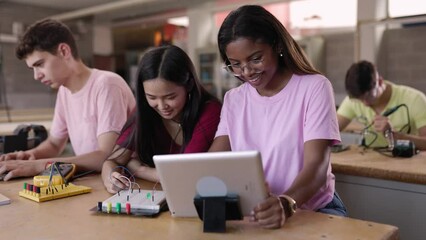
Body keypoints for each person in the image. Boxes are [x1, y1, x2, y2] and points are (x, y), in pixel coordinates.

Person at [208, 5, 346, 229]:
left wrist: (286, 202)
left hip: (313, 210)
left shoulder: (314, 87)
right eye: (235, 64)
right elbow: (214, 160)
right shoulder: (234, 99)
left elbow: (317, 167)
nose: (246, 71)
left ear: (277, 45)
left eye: (255, 59)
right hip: (258, 212)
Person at [0, 19, 135, 181]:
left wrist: (39, 165)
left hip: (124, 184)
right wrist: (29, 156)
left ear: (64, 51)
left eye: (40, 64)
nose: (36, 76)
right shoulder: (64, 92)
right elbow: (55, 144)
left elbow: (107, 156)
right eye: (32, 69)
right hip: (94, 182)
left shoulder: (106, 84)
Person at [102, 45, 221, 193]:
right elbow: (112, 160)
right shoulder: (144, 111)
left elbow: (183, 174)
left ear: (189, 85)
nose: (162, 106)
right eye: (152, 97)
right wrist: (111, 179)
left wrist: (139, 169)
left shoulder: (210, 111)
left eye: (170, 97)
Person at [337, 60, 426, 150]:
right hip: (370, 161)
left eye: (368, 96)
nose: (365, 104)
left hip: (407, 161)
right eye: (360, 100)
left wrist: (395, 136)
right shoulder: (354, 100)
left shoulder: (415, 99)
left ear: (379, 82)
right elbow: (330, 131)